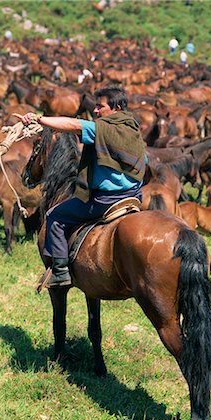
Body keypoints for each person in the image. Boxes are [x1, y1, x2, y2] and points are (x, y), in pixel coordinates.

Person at [19, 86, 146, 287]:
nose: (95, 111)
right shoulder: (133, 130)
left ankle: (60, 272)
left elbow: (72, 123)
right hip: (134, 196)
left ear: (117, 108)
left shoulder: (102, 129)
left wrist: (39, 119)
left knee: (55, 216)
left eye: (100, 106)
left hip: (106, 200)